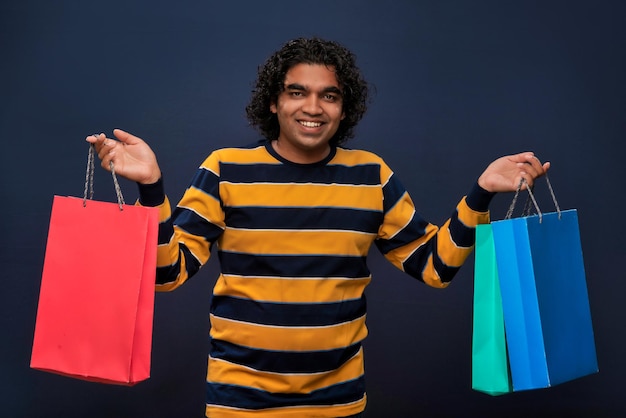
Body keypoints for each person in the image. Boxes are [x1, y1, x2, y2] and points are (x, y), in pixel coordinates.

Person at [86, 37, 549, 418]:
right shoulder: (225, 169)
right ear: (273, 101)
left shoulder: (372, 175)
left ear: (344, 109)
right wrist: (151, 187)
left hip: (338, 402)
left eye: (330, 95)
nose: (314, 107)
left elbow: (434, 266)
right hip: (239, 402)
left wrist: (482, 192)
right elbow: (169, 274)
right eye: (297, 92)